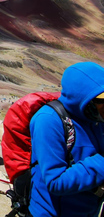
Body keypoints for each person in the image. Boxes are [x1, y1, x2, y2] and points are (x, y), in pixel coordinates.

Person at [28, 62, 104, 217]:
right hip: (51, 212)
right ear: (86, 99)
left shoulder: (97, 119)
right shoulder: (48, 121)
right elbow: (55, 181)